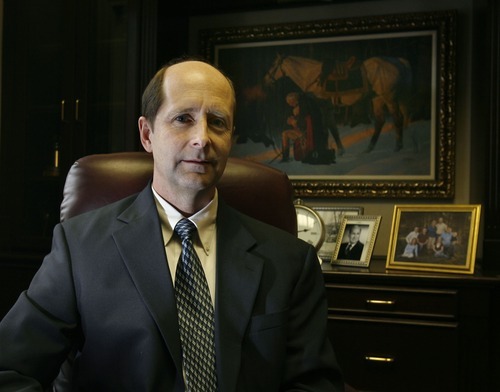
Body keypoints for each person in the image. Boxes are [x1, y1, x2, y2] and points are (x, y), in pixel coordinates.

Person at [0, 57, 344, 391]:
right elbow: (10, 368)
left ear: (231, 139)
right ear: (147, 134)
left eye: (218, 122)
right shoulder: (80, 249)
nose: (202, 138)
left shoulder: (290, 261)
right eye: (183, 118)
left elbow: (314, 383)